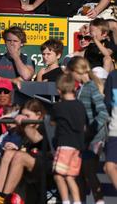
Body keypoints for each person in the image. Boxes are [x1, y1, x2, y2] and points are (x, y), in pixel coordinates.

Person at [0, 99, 50, 204]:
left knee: (19, 157)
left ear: (38, 115)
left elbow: (37, 139)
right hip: (27, 166)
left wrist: (24, 124)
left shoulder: (44, 126)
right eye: (23, 115)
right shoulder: (23, 129)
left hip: (45, 166)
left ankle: (5, 199)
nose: (24, 118)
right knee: (8, 153)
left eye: (27, 116)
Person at [69, 56, 108, 203]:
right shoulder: (82, 88)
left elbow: (103, 113)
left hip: (94, 138)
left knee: (88, 172)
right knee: (81, 173)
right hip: (84, 139)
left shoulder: (91, 86)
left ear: (76, 71)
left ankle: (99, 201)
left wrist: (90, 131)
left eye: (71, 72)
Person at [51, 74, 85, 204]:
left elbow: (53, 123)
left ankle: (65, 201)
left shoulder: (58, 107)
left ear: (59, 90)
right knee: (71, 177)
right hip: (78, 147)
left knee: (59, 175)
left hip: (64, 145)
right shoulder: (80, 106)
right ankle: (76, 201)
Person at [103, 70, 117, 191]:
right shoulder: (113, 76)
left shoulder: (113, 76)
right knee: (109, 166)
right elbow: (107, 104)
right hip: (115, 127)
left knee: (109, 166)